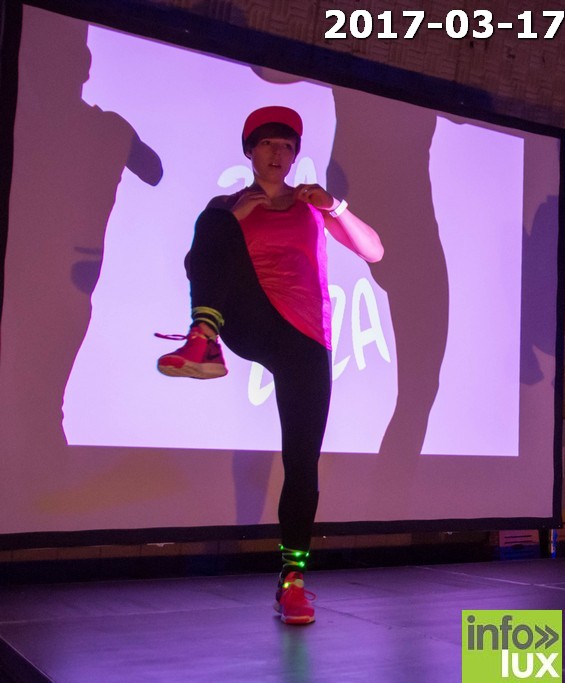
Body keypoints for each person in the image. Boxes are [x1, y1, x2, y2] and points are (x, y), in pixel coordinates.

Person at [155, 106, 384, 625]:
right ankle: (203, 337)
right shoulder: (228, 208)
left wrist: (335, 206)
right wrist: (237, 216)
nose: (277, 154)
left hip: (304, 339)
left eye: (286, 146)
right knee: (215, 220)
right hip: (250, 317)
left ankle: (293, 581)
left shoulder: (311, 206)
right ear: (250, 152)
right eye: (266, 144)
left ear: (295, 155)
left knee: (302, 461)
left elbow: (373, 251)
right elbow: (195, 265)